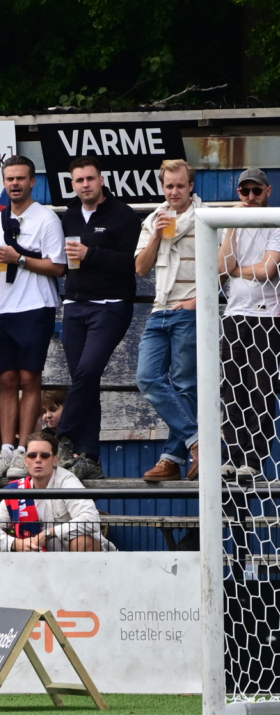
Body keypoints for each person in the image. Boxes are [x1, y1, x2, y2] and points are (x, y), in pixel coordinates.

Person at [0, 156, 67, 480]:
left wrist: (20, 259)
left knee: (30, 379)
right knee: (5, 380)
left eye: (20, 178)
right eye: (9, 178)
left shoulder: (46, 219)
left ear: (32, 181)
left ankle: (23, 449)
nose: (14, 183)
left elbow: (58, 266)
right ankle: (6, 449)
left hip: (34, 307)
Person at [57, 157, 142, 482]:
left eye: (90, 178)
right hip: (74, 305)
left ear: (102, 180)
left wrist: (89, 254)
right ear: (73, 184)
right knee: (84, 379)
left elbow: (132, 263)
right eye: (79, 180)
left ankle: (62, 436)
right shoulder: (69, 215)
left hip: (110, 305)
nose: (85, 185)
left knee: (88, 371)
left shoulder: (123, 216)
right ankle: (90, 456)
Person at [135, 159, 201, 482]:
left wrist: (196, 302)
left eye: (180, 185)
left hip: (188, 310)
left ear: (191, 186)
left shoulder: (206, 219)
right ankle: (196, 441)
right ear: (162, 187)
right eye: (169, 186)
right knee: (147, 378)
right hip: (159, 310)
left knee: (187, 385)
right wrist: (157, 236)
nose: (174, 192)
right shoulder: (153, 220)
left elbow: (220, 266)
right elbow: (141, 268)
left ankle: (171, 461)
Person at [217, 168, 280, 479]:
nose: (251, 197)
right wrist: (231, 226)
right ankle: (232, 457)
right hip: (233, 315)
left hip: (267, 318)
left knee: (261, 391)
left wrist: (236, 269)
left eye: (257, 191)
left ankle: (253, 461)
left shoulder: (275, 222)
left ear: (268, 191)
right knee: (232, 390)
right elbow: (220, 269)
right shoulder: (231, 225)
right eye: (245, 191)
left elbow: (267, 270)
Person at [0, 432, 112, 552]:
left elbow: (91, 519)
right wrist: (16, 544)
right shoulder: (17, 489)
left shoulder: (67, 481)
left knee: (82, 542)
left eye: (44, 455)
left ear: (55, 460)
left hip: (71, 558)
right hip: (34, 558)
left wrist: (49, 533)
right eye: (32, 455)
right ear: (26, 461)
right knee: (4, 543)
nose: (38, 460)